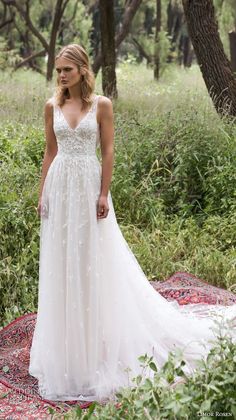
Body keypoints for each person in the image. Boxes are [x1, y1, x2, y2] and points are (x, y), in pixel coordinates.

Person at [29, 43, 236, 403]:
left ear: (82, 70)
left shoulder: (102, 105)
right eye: (58, 70)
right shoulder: (52, 106)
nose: (61, 76)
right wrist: (42, 192)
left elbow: (108, 150)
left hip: (89, 184)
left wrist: (104, 193)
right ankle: (67, 346)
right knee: (63, 263)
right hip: (60, 189)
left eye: (67, 70)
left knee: (95, 261)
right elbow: (50, 151)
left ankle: (99, 339)